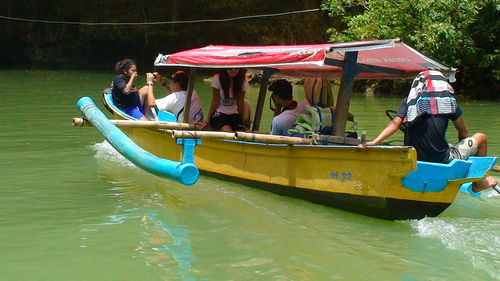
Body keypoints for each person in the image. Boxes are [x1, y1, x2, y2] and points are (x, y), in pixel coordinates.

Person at [359, 70, 497, 192]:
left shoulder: (408, 102)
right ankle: (478, 183)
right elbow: (464, 133)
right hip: (442, 159)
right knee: (481, 137)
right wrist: (463, 156)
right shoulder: (449, 103)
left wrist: (375, 142)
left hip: (414, 158)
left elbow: (395, 124)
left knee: (446, 144)